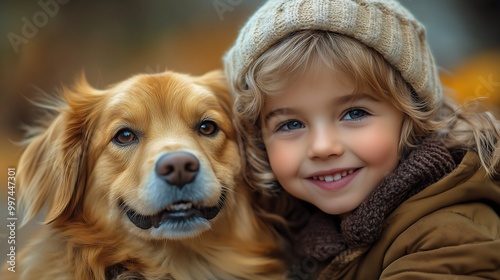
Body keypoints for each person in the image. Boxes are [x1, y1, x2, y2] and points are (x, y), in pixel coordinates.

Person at [223, 0, 500, 279]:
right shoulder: (296, 232)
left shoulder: (446, 236)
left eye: (354, 113)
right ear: (259, 141)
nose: (323, 147)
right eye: (291, 124)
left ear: (411, 116)